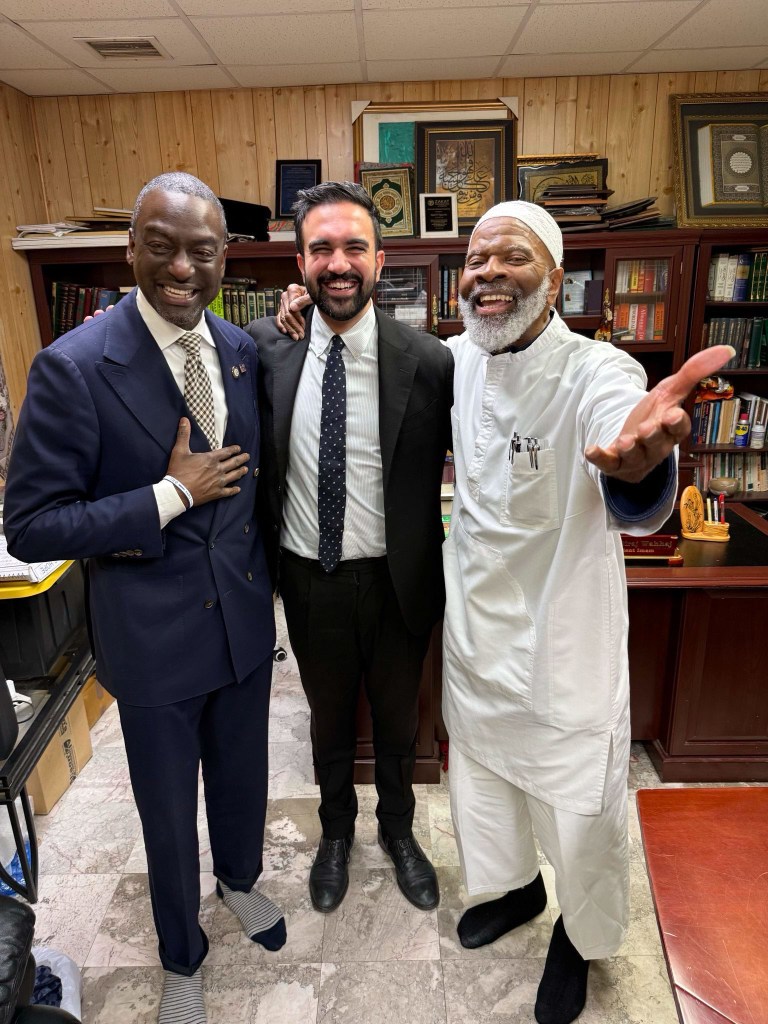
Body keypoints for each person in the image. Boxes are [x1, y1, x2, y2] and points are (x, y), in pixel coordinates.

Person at [276, 199, 731, 1023]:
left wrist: (637, 465)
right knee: (485, 789)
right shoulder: (453, 361)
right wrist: (311, 307)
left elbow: (623, 442)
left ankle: (579, 937)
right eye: (477, 261)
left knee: (579, 808)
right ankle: (518, 890)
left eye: (513, 258)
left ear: (554, 279)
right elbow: (367, 351)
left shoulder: (598, 371)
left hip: (563, 641)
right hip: (477, 635)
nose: (489, 274)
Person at [4, 173, 284, 1024]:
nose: (182, 268)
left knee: (243, 776)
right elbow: (32, 525)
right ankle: (181, 955)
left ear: (225, 258)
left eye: (202, 250)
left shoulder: (238, 348)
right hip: (151, 637)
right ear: (131, 249)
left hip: (241, 620)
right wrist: (168, 497)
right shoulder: (73, 365)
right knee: (166, 811)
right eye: (161, 246)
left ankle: (239, 879)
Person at [247, 181, 453, 914]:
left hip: (399, 583)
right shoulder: (265, 350)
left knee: (398, 723)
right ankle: (336, 834)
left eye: (354, 248)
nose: (339, 264)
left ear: (380, 260)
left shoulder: (430, 361)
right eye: (322, 249)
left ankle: (399, 831)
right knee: (328, 720)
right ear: (299, 263)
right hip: (311, 580)